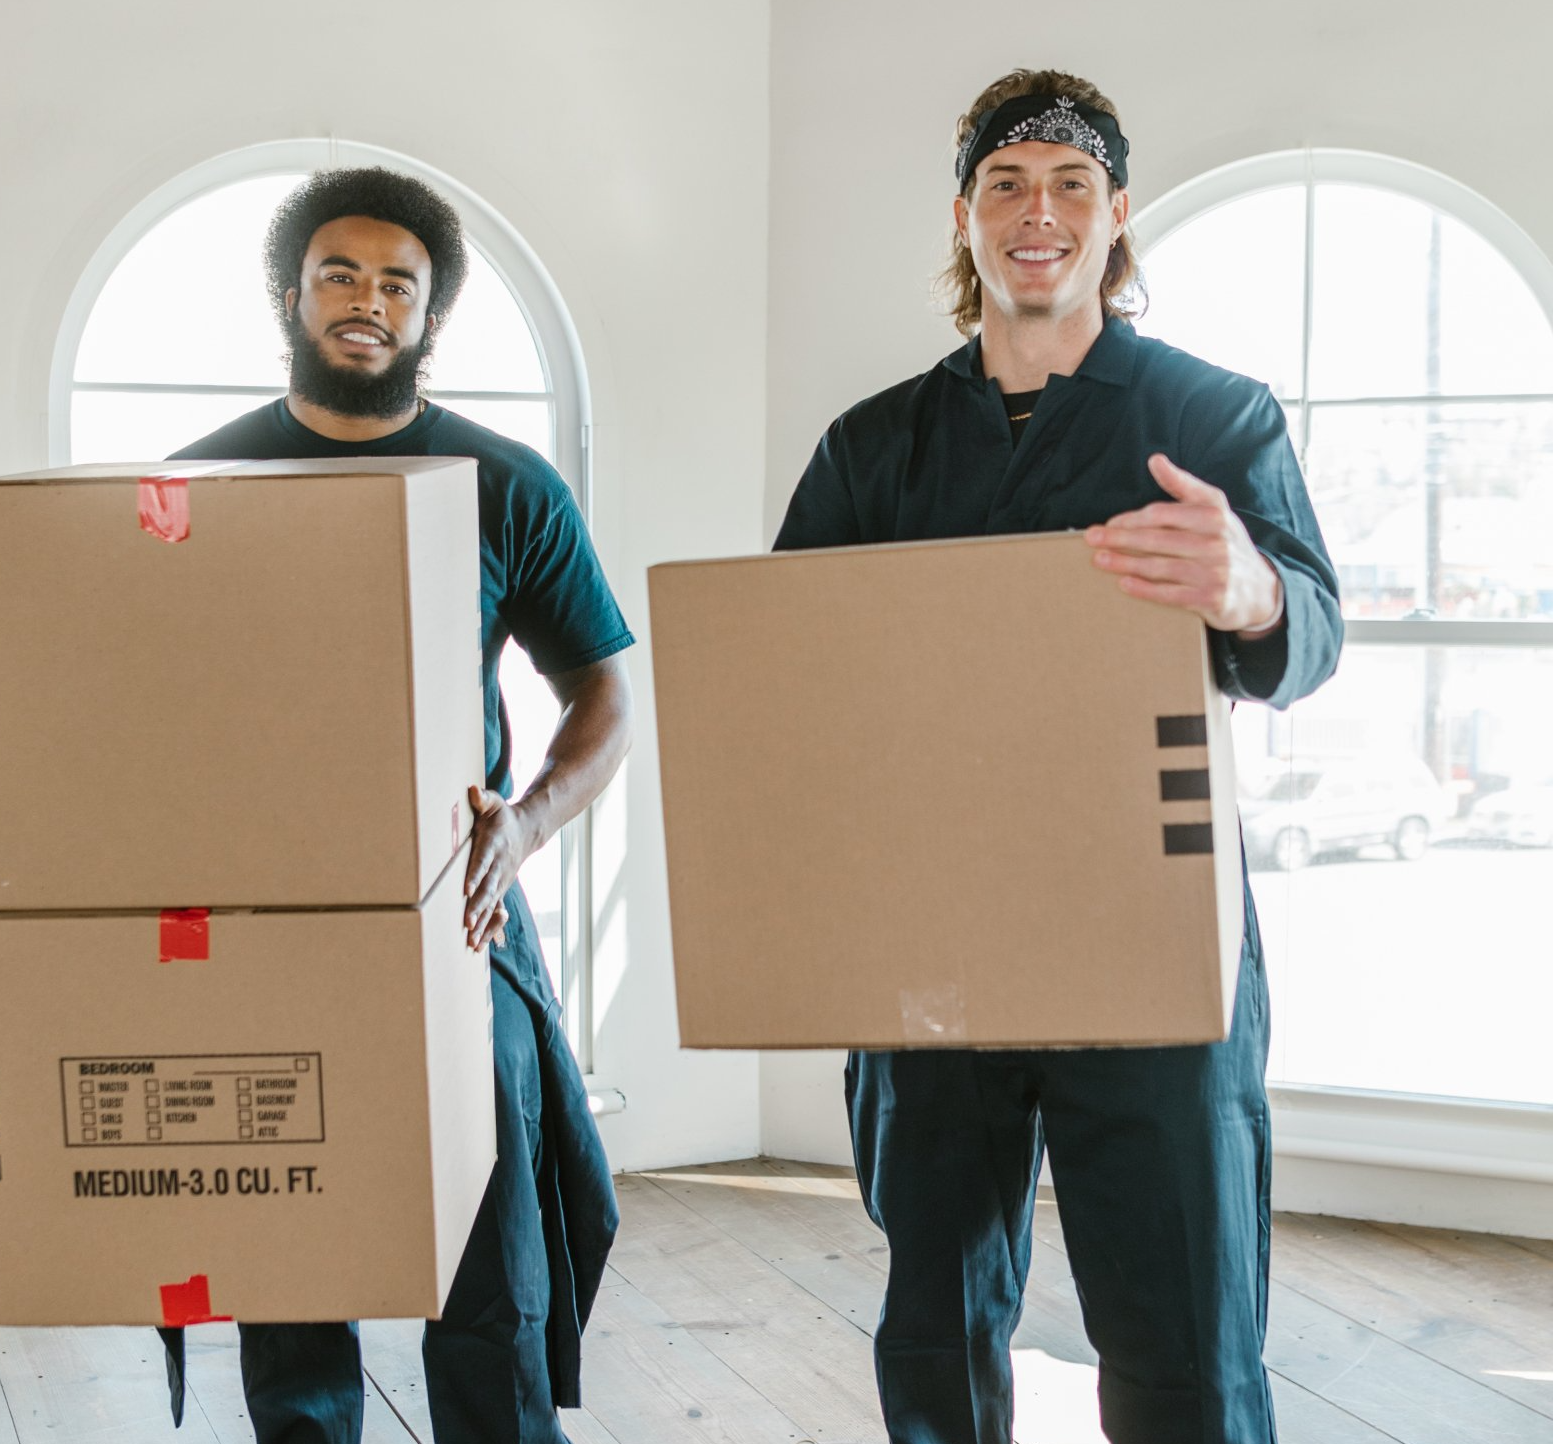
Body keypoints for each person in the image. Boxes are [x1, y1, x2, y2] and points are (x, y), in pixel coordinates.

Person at [775, 70, 1343, 1444]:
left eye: (1070, 185)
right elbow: (781, 669)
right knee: (935, 1318)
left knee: (1182, 1332)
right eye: (1008, 184)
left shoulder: (1214, 420)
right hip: (936, 940)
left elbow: (1312, 635)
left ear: (1117, 214)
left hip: (1146, 932)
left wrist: (1249, 586)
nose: (1040, 214)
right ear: (965, 217)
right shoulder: (875, 447)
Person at [159, 166, 634, 1444]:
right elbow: (144, 709)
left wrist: (526, 825)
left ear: (431, 315)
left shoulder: (503, 482)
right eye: (338, 274)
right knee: (294, 1243)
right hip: (267, 928)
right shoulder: (194, 489)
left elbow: (604, 697)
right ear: (289, 293)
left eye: (397, 283)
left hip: (456, 916)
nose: (366, 300)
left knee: (492, 1256)